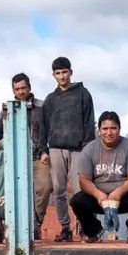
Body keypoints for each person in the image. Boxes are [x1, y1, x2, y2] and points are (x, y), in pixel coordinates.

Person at [70, 111, 128, 245]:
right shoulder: (89, 149)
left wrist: (118, 192)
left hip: (124, 197)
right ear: (99, 130)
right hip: (99, 199)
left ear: (119, 128)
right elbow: (84, 180)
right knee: (77, 201)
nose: (109, 132)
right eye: (105, 129)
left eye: (113, 128)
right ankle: (93, 230)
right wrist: (98, 194)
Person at [39, 56, 95, 242]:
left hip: (79, 148)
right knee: (58, 190)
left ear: (71, 72)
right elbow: (43, 126)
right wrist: (43, 150)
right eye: (58, 73)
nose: (62, 76)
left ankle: (85, 227)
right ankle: (65, 228)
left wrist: (88, 147)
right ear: (53, 75)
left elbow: (89, 121)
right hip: (55, 148)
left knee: (80, 191)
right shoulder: (50, 99)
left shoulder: (83, 94)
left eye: (65, 72)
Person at [0, 73, 51, 240]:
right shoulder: (6, 109)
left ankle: (36, 222)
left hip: (37, 155)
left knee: (44, 187)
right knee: (13, 191)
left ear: (30, 87)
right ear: (13, 90)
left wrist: (44, 150)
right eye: (17, 89)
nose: (21, 91)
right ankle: (11, 226)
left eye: (23, 88)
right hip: (13, 158)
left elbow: (49, 130)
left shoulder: (42, 107)